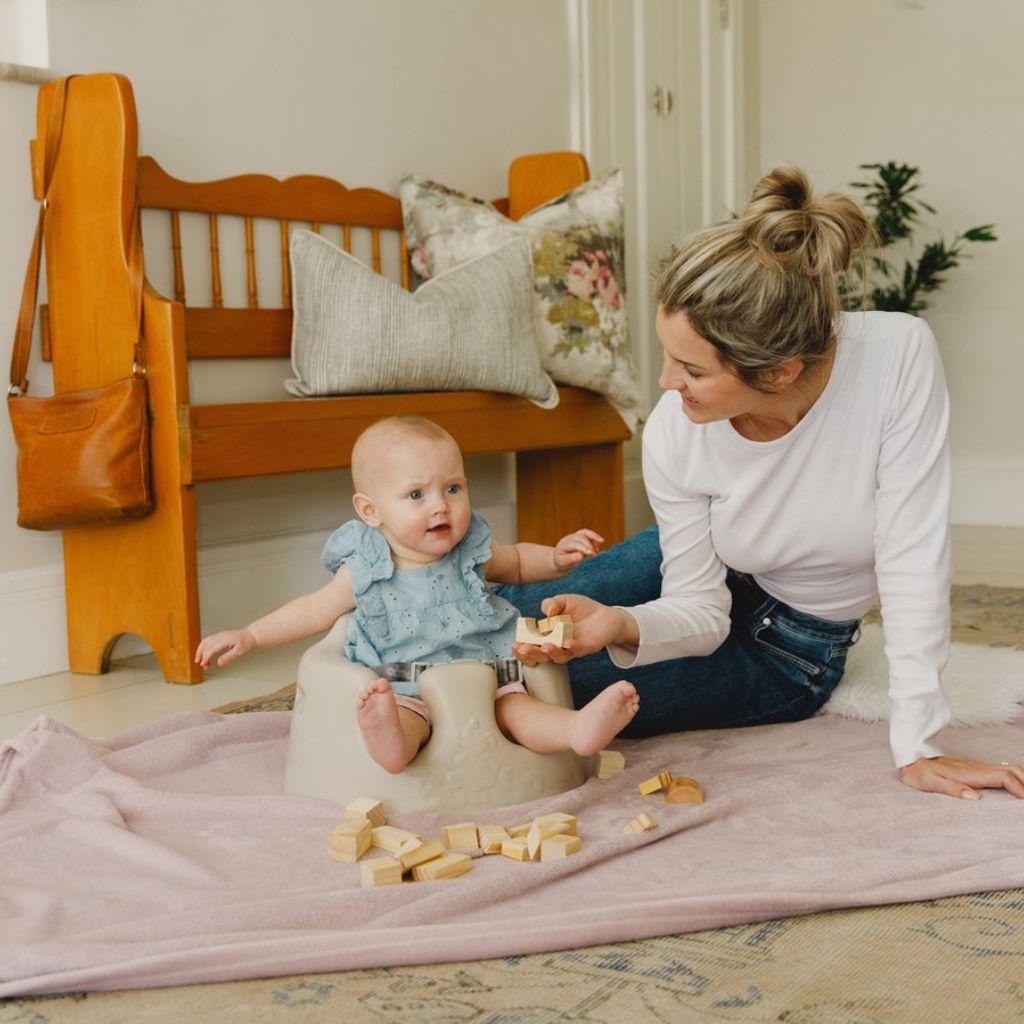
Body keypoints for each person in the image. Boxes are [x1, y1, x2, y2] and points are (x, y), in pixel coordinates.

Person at [505, 165, 1024, 802]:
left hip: (790, 650)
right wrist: (616, 621)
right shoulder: (677, 425)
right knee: (499, 625)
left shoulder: (896, 358)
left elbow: (912, 556)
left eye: (691, 369)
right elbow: (698, 607)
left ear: (779, 372)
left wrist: (918, 742)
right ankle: (369, 632)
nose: (666, 384)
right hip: (706, 579)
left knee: (541, 693)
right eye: (667, 354)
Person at [195, 415, 639, 773]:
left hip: (486, 670)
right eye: (415, 494)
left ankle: (576, 730)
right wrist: (250, 635)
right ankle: (389, 740)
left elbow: (518, 563)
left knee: (519, 710)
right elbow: (315, 608)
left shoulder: (469, 547)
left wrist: (557, 558)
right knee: (409, 718)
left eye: (453, 488)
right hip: (404, 680)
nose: (439, 505)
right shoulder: (368, 564)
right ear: (371, 511)